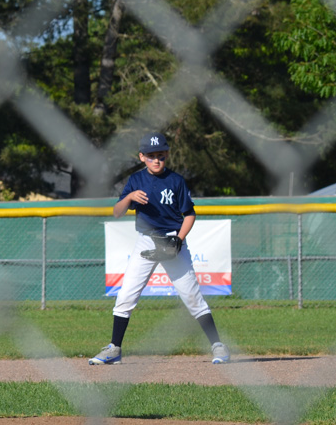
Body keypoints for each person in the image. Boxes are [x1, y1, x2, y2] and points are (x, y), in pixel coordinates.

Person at [89, 132, 230, 365]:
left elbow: (189, 214)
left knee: (192, 296)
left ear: (166, 155)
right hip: (146, 241)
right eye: (151, 156)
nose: (156, 160)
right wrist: (129, 197)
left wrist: (179, 240)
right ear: (141, 157)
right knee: (126, 295)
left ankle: (218, 345)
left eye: (161, 155)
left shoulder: (176, 181)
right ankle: (114, 348)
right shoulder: (136, 180)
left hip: (172, 241)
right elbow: (117, 212)